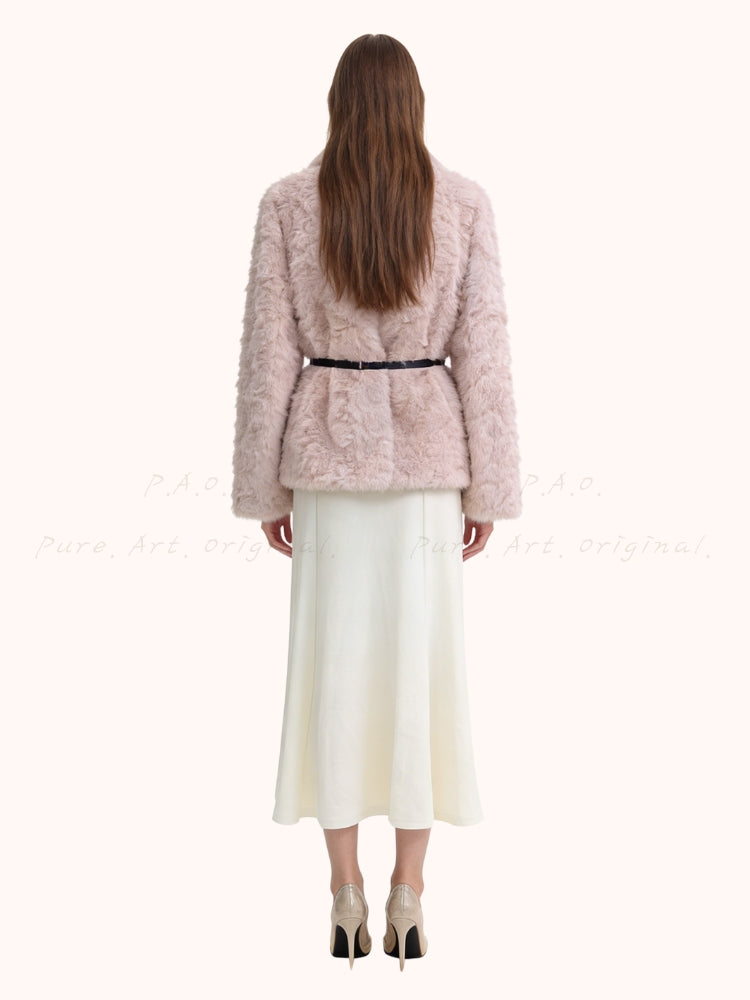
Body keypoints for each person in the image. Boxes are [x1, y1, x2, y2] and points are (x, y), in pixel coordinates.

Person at [231, 34, 522, 970]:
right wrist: (488, 485)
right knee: (420, 673)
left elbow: (268, 356)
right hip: (428, 475)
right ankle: (410, 893)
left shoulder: (288, 205)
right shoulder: (463, 204)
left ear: (338, 103)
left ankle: (344, 893)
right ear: (413, 103)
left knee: (335, 671)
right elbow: (485, 355)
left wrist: (264, 484)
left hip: (326, 464)